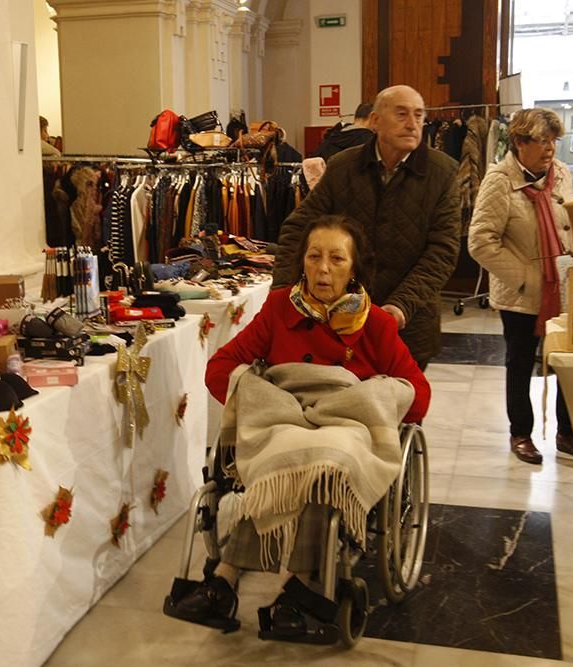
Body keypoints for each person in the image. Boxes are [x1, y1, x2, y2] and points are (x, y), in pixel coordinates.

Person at [172, 214, 430, 634]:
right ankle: (225, 582)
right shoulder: (278, 309)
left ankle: (301, 583)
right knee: (283, 459)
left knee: (321, 465)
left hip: (343, 429)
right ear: (302, 263)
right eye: (314, 257)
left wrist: (371, 402)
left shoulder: (377, 325)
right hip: (283, 420)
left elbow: (417, 394)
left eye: (336, 259)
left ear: (355, 269)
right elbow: (221, 367)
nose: (323, 269)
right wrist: (262, 398)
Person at [273, 84, 461, 370]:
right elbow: (299, 227)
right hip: (341, 316)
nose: (412, 124)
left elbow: (443, 251)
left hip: (409, 324)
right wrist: (283, 294)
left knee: (404, 409)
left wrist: (401, 305)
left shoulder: (442, 172)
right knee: (343, 408)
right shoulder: (344, 166)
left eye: (419, 115)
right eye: (401, 114)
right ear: (375, 121)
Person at [467, 108, 573, 465]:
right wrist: (525, 278)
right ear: (518, 142)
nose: (550, 149)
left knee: (566, 362)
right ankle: (521, 434)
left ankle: (567, 433)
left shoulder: (561, 175)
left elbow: (571, 224)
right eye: (542, 141)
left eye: (553, 141)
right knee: (519, 364)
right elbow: (481, 241)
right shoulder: (499, 180)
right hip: (520, 294)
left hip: (561, 289)